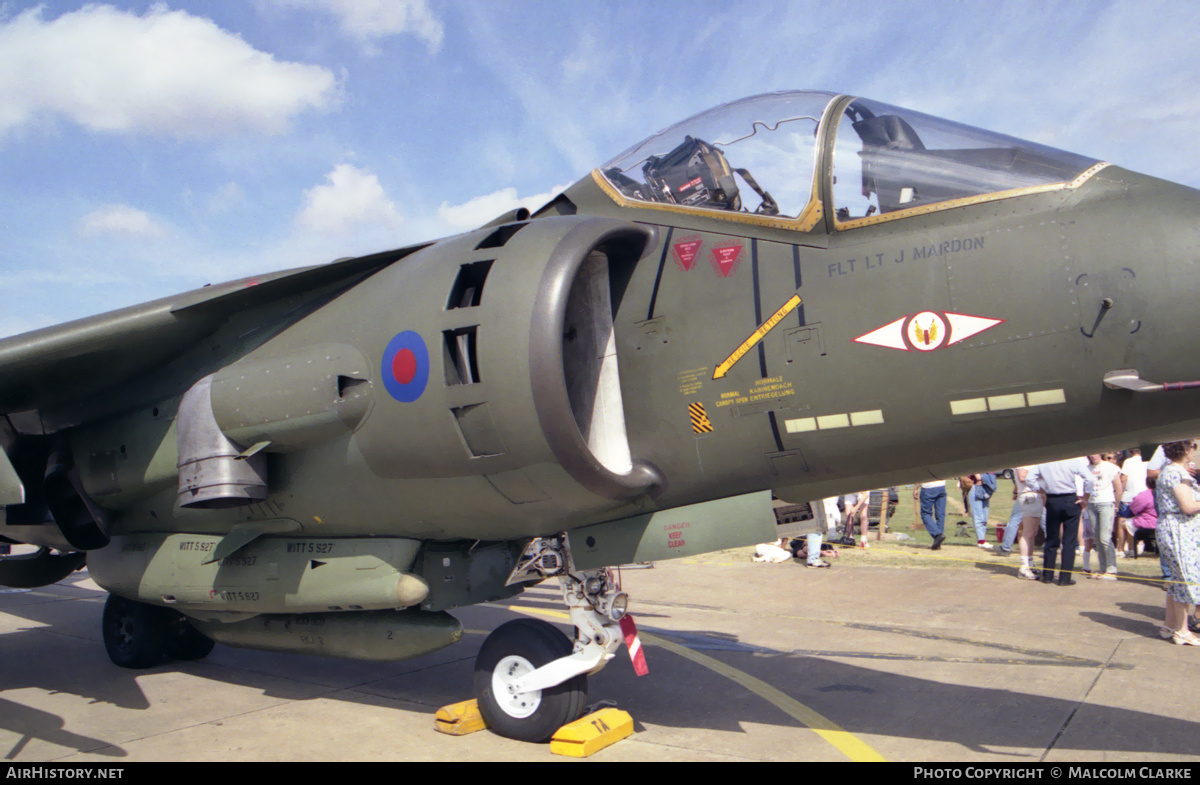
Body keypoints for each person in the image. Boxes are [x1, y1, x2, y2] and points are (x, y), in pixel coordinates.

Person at [1150, 440, 1200, 644]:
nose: (1194, 450)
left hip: (1179, 529)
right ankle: (1182, 630)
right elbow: (1187, 506)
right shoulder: (1176, 473)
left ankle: (1169, 625)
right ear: (1185, 449)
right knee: (1185, 579)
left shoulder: (1174, 471)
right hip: (1178, 530)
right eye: (1193, 446)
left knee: (1178, 579)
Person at [1028, 457, 1093, 585]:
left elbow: (1030, 478)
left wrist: (1041, 490)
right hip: (1069, 499)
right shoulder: (1071, 460)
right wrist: (1086, 497)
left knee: (1051, 538)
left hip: (1053, 500)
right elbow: (1089, 478)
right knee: (1069, 541)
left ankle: (1047, 575)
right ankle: (1065, 578)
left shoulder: (1044, 461)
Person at [1087, 453, 1123, 580]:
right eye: (1091, 454)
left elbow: (1118, 488)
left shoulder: (1110, 467)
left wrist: (1116, 505)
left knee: (1105, 537)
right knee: (1097, 537)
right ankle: (1103, 569)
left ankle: (1111, 569)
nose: (1093, 456)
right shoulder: (1087, 468)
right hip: (1091, 504)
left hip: (1106, 502)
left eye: (1095, 453)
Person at [1117, 448, 1147, 557]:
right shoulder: (1147, 461)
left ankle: (1120, 549)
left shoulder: (1128, 462)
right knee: (1134, 522)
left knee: (1122, 523)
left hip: (1129, 497)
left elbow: (1123, 479)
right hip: (1143, 497)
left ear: (1130, 452)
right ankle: (1132, 549)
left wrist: (1120, 492)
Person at [914, 480, 947, 550]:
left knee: (925, 514)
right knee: (940, 515)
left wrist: (916, 488)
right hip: (941, 486)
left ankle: (938, 535)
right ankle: (938, 543)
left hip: (928, 487)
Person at [969, 472, 997, 550]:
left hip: (985, 490)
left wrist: (984, 478)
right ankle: (981, 541)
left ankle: (982, 540)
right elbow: (978, 478)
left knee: (984, 518)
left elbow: (989, 478)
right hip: (976, 490)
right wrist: (988, 478)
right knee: (978, 517)